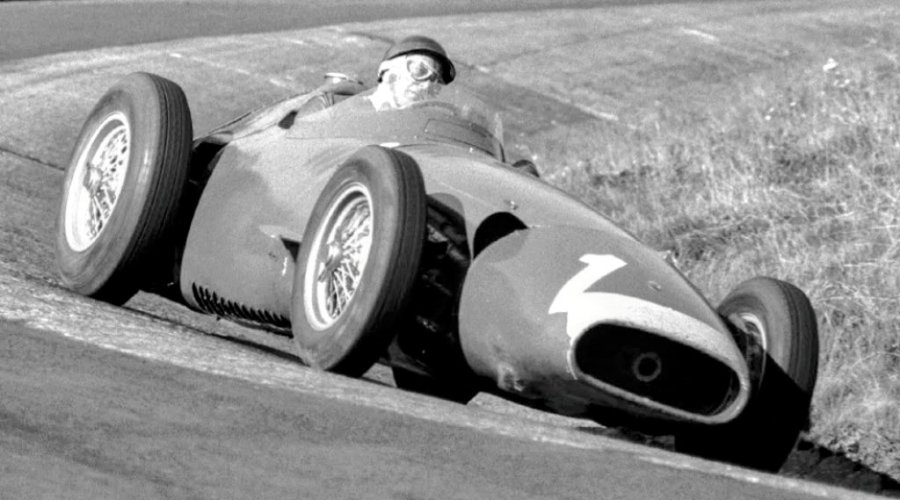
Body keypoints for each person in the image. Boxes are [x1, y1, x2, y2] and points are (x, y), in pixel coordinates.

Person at [367, 35, 456, 111]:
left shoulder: (425, 124)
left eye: (437, 82)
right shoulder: (357, 115)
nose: (427, 86)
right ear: (387, 70)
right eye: (419, 70)